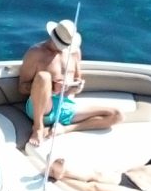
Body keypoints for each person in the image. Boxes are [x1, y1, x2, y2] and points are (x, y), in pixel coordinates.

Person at [19, 18, 123, 151]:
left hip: (66, 107)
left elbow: (77, 79)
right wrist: (52, 87)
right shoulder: (35, 53)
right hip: (42, 107)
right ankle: (38, 128)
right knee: (43, 77)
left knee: (117, 115)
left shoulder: (74, 52)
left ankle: (65, 129)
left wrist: (76, 86)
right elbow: (22, 87)